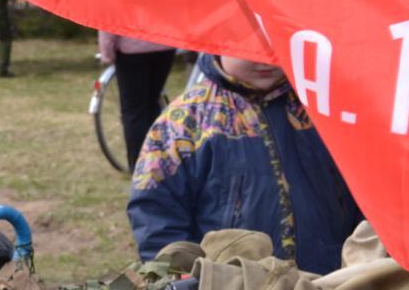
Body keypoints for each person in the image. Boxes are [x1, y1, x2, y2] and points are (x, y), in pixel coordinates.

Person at [128, 52, 361, 275]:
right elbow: (156, 215)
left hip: (329, 283)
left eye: (272, 42)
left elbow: (368, 192)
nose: (263, 57)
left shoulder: (326, 109)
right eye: (247, 44)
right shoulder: (183, 123)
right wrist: (187, 281)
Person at [97, 30, 179, 171]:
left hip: (131, 48)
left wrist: (106, 53)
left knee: (134, 113)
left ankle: (139, 169)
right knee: (153, 106)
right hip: (165, 43)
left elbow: (109, 18)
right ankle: (157, 165)